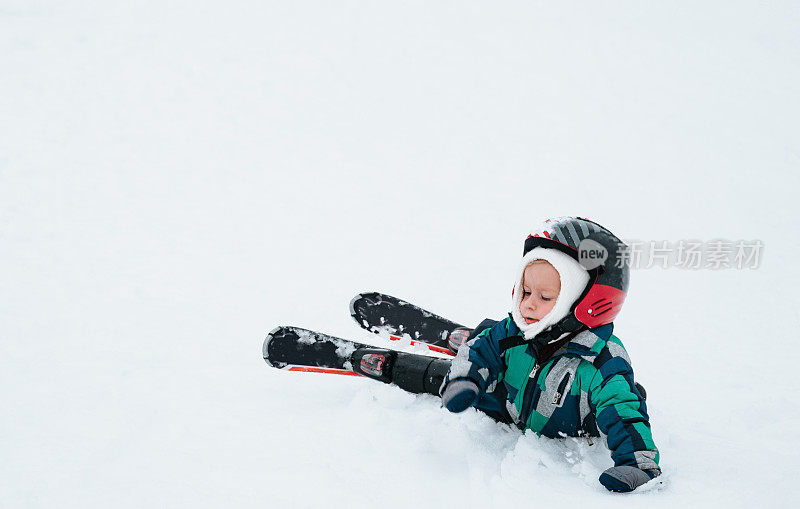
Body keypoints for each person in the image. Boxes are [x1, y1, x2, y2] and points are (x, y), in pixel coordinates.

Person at [439, 217, 661, 493]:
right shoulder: (514, 331)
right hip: (512, 404)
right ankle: (464, 369)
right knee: (485, 341)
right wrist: (463, 380)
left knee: (619, 399)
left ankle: (632, 391)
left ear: (583, 302)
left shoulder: (602, 361)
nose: (528, 304)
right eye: (527, 291)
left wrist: (637, 465)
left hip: (570, 419)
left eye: (545, 298)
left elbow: (624, 416)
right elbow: (482, 349)